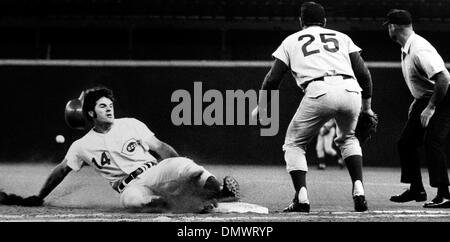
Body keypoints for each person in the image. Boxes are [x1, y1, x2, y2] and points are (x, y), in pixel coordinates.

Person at [14, 86, 240, 212]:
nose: (109, 109)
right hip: (128, 186)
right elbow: (61, 171)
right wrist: (39, 195)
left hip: (154, 171)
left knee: (187, 166)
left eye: (110, 105)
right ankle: (181, 204)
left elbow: (161, 148)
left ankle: (222, 192)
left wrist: (178, 174)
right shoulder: (81, 146)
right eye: (103, 106)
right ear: (91, 113)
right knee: (132, 201)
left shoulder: (130, 123)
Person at [252, 1, 374, 213]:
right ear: (325, 21)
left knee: (294, 143)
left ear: (301, 22)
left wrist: (262, 106)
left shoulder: (291, 40)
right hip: (351, 89)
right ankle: (359, 189)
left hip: (319, 89)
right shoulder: (342, 37)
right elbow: (364, 74)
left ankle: (301, 198)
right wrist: (367, 108)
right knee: (349, 138)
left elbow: (272, 79)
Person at [385, 9, 450, 208]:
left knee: (433, 141)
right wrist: (418, 101)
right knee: (406, 143)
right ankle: (417, 189)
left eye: (388, 26)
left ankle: (445, 195)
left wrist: (430, 107)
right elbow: (424, 82)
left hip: (444, 97)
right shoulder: (407, 46)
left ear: (393, 27)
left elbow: (444, 78)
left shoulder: (419, 48)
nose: (388, 30)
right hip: (425, 98)